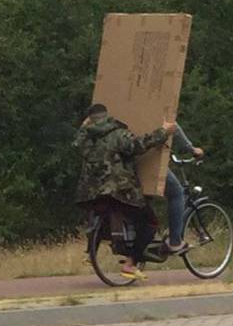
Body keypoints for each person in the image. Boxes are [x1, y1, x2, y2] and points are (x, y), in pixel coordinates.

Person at [75, 103, 177, 281]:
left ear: (89, 120)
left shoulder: (84, 138)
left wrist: (84, 127)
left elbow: (78, 142)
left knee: (102, 213)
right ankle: (131, 264)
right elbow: (138, 145)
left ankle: (91, 253)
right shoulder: (117, 134)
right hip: (119, 191)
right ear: (107, 116)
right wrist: (163, 132)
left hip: (90, 194)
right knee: (149, 223)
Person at [164, 124, 204, 254]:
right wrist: (192, 149)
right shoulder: (155, 111)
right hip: (150, 160)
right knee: (177, 193)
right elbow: (173, 127)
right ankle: (175, 242)